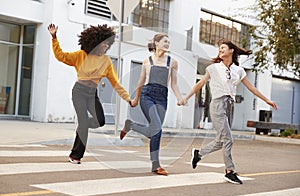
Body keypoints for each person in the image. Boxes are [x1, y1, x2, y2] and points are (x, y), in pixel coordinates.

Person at [179, 39, 277, 184]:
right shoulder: (213, 68)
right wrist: (185, 98)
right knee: (228, 139)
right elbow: (200, 83)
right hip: (218, 104)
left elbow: (252, 88)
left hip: (230, 105)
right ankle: (229, 171)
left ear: (231, 50)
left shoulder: (239, 70)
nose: (220, 50)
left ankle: (199, 153)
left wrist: (266, 100)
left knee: (222, 140)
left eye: (223, 47)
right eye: (219, 48)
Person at [48, 24, 132, 164]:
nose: (106, 47)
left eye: (108, 44)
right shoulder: (81, 56)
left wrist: (127, 98)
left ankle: (83, 125)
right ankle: (75, 156)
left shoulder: (106, 61)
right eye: (103, 44)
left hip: (92, 94)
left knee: (100, 121)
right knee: (83, 123)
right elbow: (61, 56)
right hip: (79, 92)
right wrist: (54, 38)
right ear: (95, 43)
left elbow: (115, 83)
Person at [119, 33, 183, 176]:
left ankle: (130, 125)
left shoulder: (172, 62)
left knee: (155, 131)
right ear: (156, 43)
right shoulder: (147, 61)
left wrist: (180, 98)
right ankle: (156, 165)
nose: (167, 44)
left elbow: (173, 83)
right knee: (157, 128)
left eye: (168, 42)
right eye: (165, 41)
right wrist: (135, 99)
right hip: (147, 95)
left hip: (162, 97)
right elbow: (141, 81)